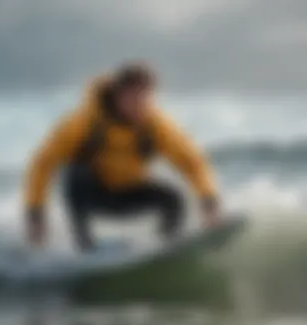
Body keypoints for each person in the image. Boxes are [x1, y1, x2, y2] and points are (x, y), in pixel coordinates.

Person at [24, 63, 220, 251]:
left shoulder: (155, 125)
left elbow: (191, 161)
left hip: (128, 194)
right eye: (133, 98)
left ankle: (166, 246)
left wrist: (208, 199)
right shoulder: (85, 121)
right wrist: (35, 213)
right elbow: (43, 163)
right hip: (92, 194)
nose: (139, 105)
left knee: (172, 198)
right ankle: (84, 247)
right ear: (118, 95)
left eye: (145, 98)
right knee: (76, 173)